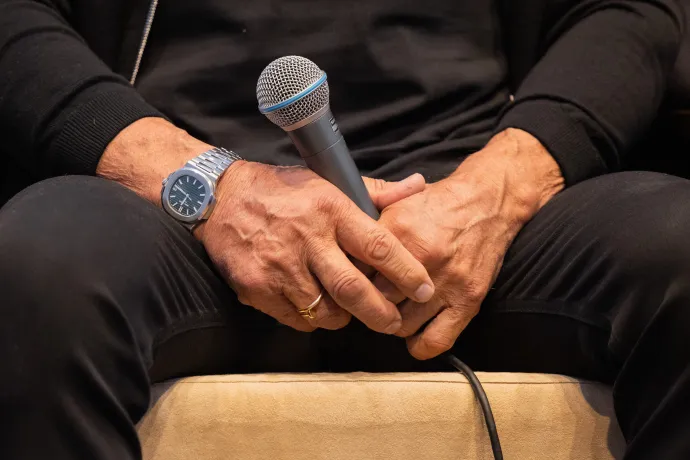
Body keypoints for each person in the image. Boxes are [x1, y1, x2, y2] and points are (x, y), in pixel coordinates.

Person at [0, 0, 687, 458]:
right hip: (186, 201)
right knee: (42, 262)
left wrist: (494, 193)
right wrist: (215, 188)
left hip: (470, 197)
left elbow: (629, 13)